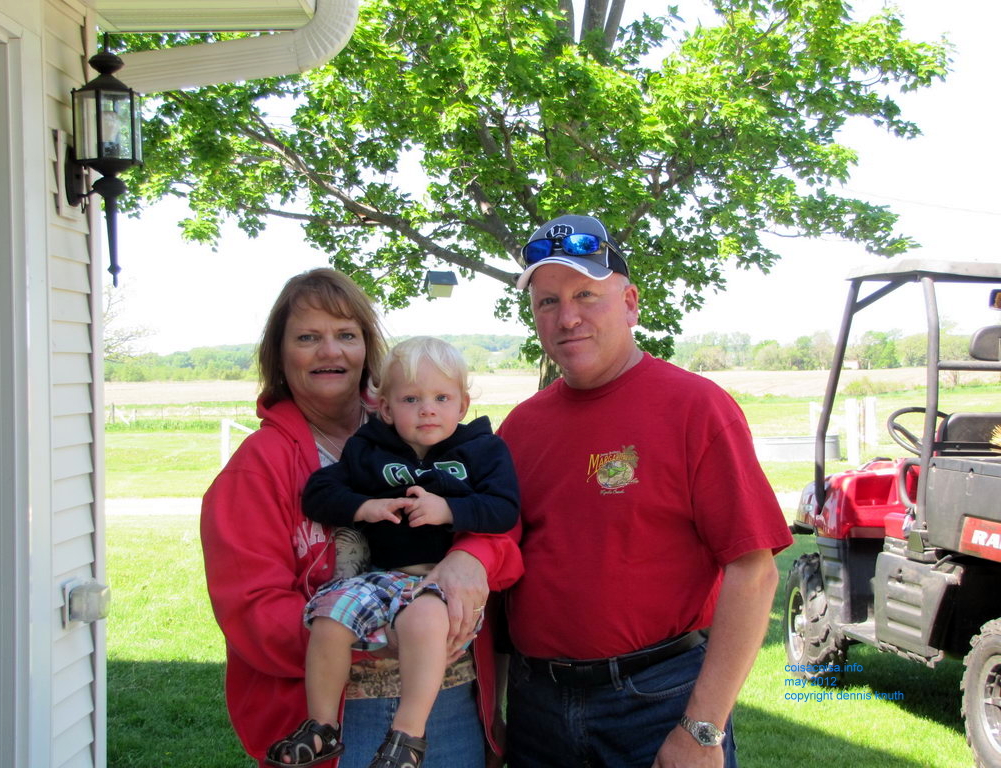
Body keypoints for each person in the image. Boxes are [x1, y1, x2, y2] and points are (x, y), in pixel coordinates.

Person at [496, 215, 794, 768]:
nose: (568, 317)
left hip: (656, 702)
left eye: (587, 294)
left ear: (630, 303)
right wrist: (495, 712)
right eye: (547, 302)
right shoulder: (520, 429)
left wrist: (702, 729)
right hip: (538, 707)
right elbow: (498, 577)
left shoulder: (696, 409)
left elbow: (754, 572)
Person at [200, 269, 522, 768]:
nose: (331, 352)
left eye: (346, 335)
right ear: (280, 355)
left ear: (367, 351)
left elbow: (501, 520)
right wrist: (375, 635)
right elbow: (252, 612)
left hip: (449, 701)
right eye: (308, 337)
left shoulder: (417, 429)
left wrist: (469, 557)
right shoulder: (259, 464)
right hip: (343, 712)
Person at [266, 336, 520, 768]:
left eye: (442, 397)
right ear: (385, 408)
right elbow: (320, 492)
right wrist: (364, 505)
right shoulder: (370, 449)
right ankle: (323, 727)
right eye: (411, 398)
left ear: (462, 405)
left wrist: (449, 510)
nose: (427, 409)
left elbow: (504, 509)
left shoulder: (482, 451)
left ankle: (408, 735)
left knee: (423, 622)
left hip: (438, 581)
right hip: (381, 576)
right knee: (329, 614)